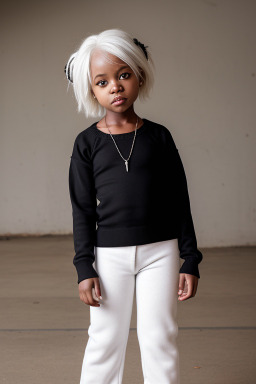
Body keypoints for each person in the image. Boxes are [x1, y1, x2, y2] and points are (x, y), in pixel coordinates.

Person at [65, 28, 203, 384]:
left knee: (159, 337)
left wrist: (190, 257)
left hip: (162, 252)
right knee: (105, 340)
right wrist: (84, 267)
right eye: (102, 81)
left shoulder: (159, 137)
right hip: (108, 255)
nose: (115, 86)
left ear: (139, 75)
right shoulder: (86, 145)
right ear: (91, 89)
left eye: (123, 75)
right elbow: (81, 210)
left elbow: (179, 199)